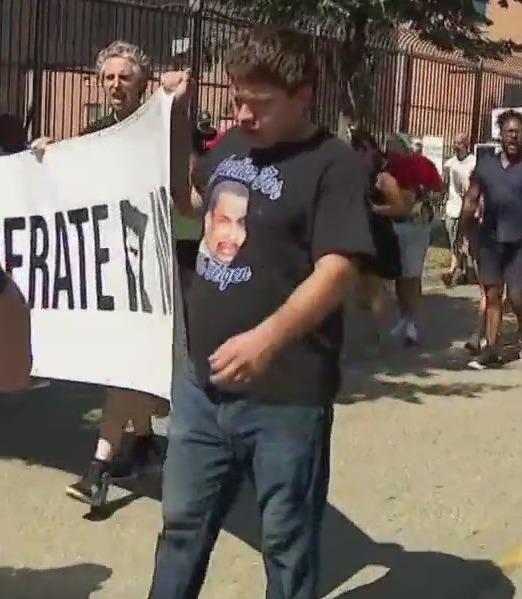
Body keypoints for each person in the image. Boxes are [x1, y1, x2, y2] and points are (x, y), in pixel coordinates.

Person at [148, 26, 374, 597]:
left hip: (286, 399)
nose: (244, 113)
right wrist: (174, 124)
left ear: (303, 96)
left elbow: (338, 269)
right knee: (181, 530)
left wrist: (266, 339)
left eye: (260, 103)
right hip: (202, 389)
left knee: (285, 544)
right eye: (236, 98)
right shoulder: (232, 146)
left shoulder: (334, 165)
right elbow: (190, 202)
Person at [31, 40, 173, 507]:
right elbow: (73, 173)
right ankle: (147, 442)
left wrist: (175, 98)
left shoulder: (159, 123)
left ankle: (99, 466)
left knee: (124, 364)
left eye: (124, 77)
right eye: (108, 77)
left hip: (151, 262)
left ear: (142, 82)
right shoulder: (95, 131)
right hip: (110, 265)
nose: (115, 85)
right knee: (126, 361)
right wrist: (50, 153)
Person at [463, 111, 522, 368]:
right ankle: (492, 348)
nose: (514, 136)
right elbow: (471, 198)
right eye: (509, 131)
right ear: (500, 135)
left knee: (518, 296)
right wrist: (467, 229)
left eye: (518, 132)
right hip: (490, 239)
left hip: (520, 241)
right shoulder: (485, 166)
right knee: (492, 294)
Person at [348, 129, 408, 345]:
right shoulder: (353, 175)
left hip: (378, 237)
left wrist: (373, 208)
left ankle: (374, 336)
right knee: (356, 289)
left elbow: (400, 208)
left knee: (373, 289)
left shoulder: (383, 179)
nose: (358, 155)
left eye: (362, 149)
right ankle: (363, 333)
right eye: (355, 149)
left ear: (372, 150)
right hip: (357, 235)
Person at [384, 132, 444, 346]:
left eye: (393, 148)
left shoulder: (423, 164)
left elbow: (439, 190)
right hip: (395, 223)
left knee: (413, 274)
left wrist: (423, 198)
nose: (390, 152)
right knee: (400, 274)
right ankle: (405, 316)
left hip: (418, 225)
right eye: (388, 149)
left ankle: (412, 324)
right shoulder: (387, 167)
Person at [442, 133, 476, 287]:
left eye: (459, 143)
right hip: (452, 207)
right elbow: (445, 184)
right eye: (454, 142)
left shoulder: (473, 163)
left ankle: (459, 270)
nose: (456, 145)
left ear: (466, 144)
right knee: (453, 240)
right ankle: (458, 269)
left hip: (467, 208)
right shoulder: (450, 164)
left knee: (465, 241)